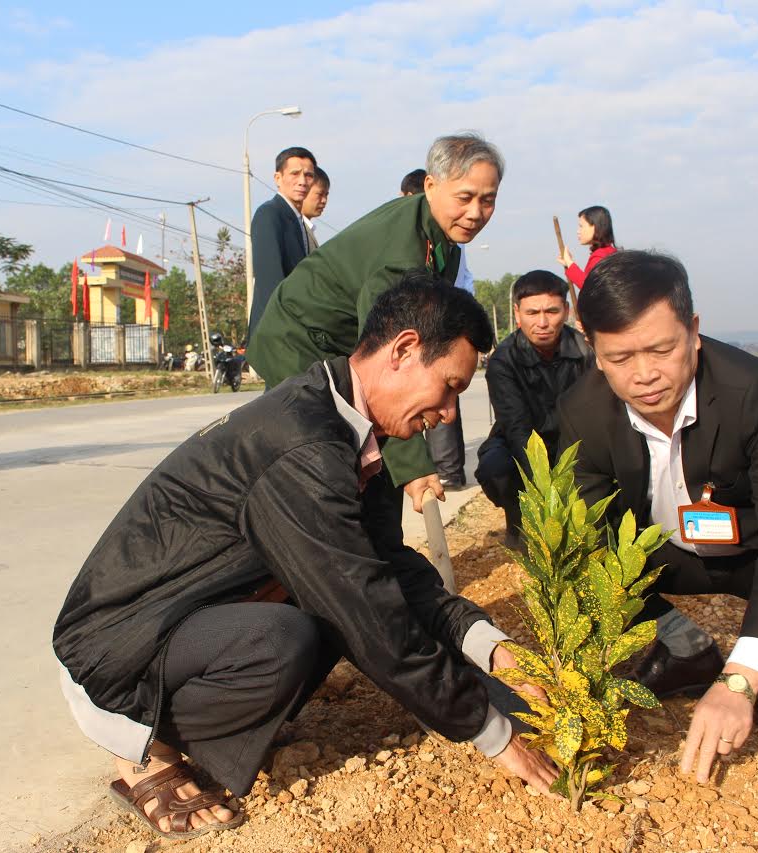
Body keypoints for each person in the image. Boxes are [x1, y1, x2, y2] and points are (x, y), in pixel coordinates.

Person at [54, 277, 557, 841]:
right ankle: (146, 750)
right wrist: (490, 731)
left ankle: (227, 722)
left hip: (190, 620)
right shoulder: (305, 447)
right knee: (291, 636)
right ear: (405, 349)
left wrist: (489, 647)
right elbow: (365, 608)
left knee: (319, 617)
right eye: (448, 387)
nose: (446, 412)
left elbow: (385, 567)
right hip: (119, 648)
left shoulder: (348, 428)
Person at [555, 250, 758, 785]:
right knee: (567, 545)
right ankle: (684, 650)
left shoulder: (756, 392)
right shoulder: (582, 411)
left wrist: (741, 680)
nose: (644, 375)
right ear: (593, 350)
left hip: (754, 544)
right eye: (620, 358)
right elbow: (590, 526)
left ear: (695, 331)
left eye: (662, 349)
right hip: (665, 549)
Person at [248, 133, 503, 513]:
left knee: (369, 462)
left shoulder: (441, 239)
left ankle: (382, 558)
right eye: (464, 197)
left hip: (340, 346)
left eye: (488, 199)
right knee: (321, 457)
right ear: (431, 186)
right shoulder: (402, 253)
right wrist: (415, 465)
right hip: (300, 342)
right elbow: (387, 367)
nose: (476, 212)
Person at [475, 270, 590, 547]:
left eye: (551, 311)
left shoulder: (587, 351)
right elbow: (517, 429)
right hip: (521, 441)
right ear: (517, 313)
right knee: (496, 467)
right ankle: (518, 524)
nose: (542, 322)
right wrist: (544, 489)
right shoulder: (503, 360)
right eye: (532, 312)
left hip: (575, 442)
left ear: (566, 310)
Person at [399, 166, 472, 487]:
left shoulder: (444, 240)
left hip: (440, 326)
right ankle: (448, 470)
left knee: (439, 397)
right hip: (441, 322)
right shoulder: (412, 240)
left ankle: (446, 470)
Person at [248, 146, 317, 333]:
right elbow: (271, 282)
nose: (302, 181)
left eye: (309, 175)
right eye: (295, 173)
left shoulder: (298, 221)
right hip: (274, 333)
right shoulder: (269, 214)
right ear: (278, 178)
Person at [559, 205, 617, 292]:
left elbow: (589, 287)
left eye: (581, 226)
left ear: (595, 226)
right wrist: (568, 264)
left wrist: (569, 263)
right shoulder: (611, 252)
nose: (578, 231)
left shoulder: (600, 256)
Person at [301, 167, 329, 252]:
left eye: (326, 195)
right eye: (320, 194)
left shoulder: (307, 229)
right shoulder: (296, 229)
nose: (324, 200)